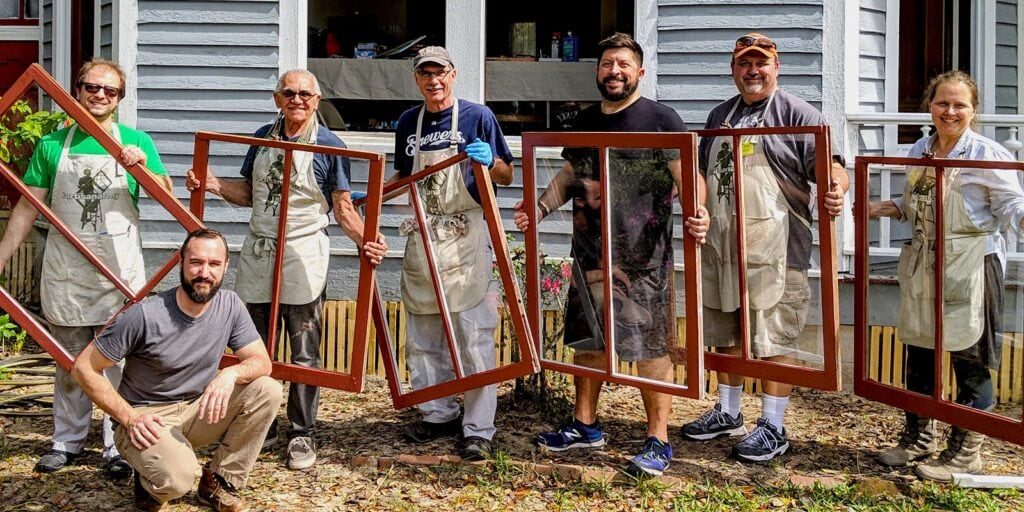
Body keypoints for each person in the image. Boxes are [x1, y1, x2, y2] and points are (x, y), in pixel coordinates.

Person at [515, 32, 710, 477]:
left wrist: (698, 212)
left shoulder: (661, 119)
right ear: (597, 71)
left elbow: (687, 175)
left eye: (623, 64)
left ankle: (658, 438)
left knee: (650, 348)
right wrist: (539, 208)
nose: (614, 71)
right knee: (588, 341)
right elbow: (570, 175)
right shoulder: (585, 120)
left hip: (644, 259)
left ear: (639, 71)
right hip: (589, 255)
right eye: (607, 64)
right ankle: (585, 424)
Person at [185, 69, 387, 471]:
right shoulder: (262, 138)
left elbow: (342, 206)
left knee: (303, 349)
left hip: (303, 251)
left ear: (317, 99)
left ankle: (301, 432)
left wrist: (367, 240)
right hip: (261, 249)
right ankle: (255, 424)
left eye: (305, 94)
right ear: (277, 98)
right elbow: (250, 193)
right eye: (289, 93)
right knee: (252, 344)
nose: (298, 100)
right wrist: (212, 184)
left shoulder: (330, 145)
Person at [679, 33, 848, 463]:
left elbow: (831, 166)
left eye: (761, 63)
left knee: (773, 338)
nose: (752, 71)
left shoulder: (797, 113)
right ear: (733, 70)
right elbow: (701, 173)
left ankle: (773, 425)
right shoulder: (720, 115)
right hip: (722, 245)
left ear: (776, 67)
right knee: (727, 332)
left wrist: (835, 188)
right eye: (744, 64)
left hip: (778, 250)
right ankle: (728, 412)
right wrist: (698, 207)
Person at [0, 58, 171, 478]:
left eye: (109, 90)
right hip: (68, 269)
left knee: (116, 360)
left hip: (118, 270)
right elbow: (27, 207)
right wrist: (1, 257)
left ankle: (118, 444)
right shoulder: (52, 145)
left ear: (120, 98)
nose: (99, 95)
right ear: (77, 90)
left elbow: (167, 195)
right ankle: (67, 440)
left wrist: (141, 167)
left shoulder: (137, 141)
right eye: (91, 87)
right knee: (69, 359)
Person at [868, 70, 1024, 481]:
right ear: (929, 106)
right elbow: (917, 203)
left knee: (970, 355)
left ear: (973, 110)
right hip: (924, 261)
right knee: (919, 350)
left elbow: (1011, 205)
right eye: (942, 103)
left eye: (959, 105)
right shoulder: (921, 148)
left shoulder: (987, 154)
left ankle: (965, 452)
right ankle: (918, 438)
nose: (950, 111)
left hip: (972, 265)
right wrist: (884, 208)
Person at [71, 229, 281, 512]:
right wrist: (129, 418)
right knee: (178, 480)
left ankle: (219, 481)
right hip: (146, 418)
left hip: (197, 409)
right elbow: (83, 368)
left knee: (267, 390)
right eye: (196, 262)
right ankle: (149, 481)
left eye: (214, 264)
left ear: (225, 267)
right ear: (181, 262)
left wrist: (229, 374)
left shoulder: (230, 305)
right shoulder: (145, 315)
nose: (204, 272)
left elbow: (261, 362)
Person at [389, 46, 514, 461]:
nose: (433, 81)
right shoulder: (408, 122)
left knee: (473, 336)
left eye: (439, 73)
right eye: (425, 74)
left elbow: (506, 173)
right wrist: (370, 195)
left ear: (453, 74)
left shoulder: (479, 117)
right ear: (417, 79)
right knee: (423, 335)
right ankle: (437, 413)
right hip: (424, 236)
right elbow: (404, 174)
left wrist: (489, 161)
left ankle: (478, 428)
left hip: (465, 236)